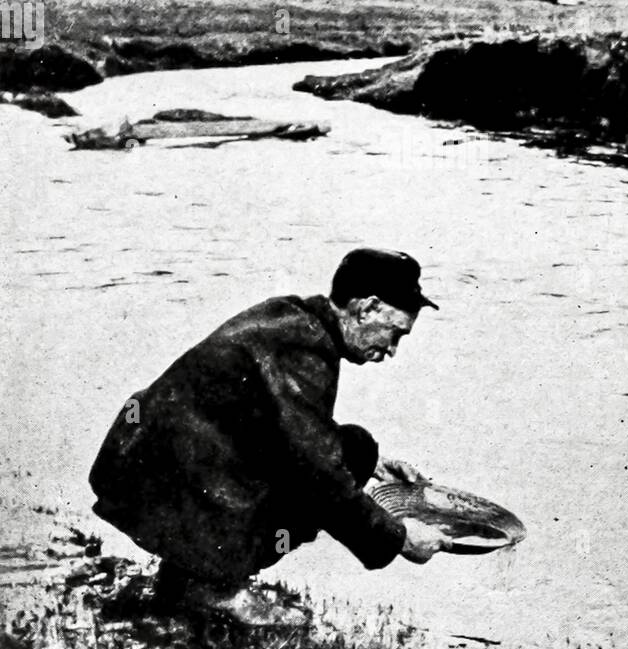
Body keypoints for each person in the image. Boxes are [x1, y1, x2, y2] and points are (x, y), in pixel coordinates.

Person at [89, 248, 449, 626]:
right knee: (319, 479)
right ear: (367, 308)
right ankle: (217, 588)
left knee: (356, 449)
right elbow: (317, 473)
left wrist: (373, 465)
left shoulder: (293, 317)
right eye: (395, 334)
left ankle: (187, 575)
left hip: (143, 461)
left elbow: (290, 429)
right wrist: (399, 538)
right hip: (156, 478)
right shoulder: (305, 349)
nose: (391, 350)